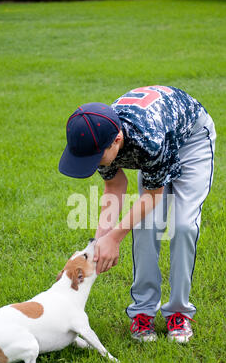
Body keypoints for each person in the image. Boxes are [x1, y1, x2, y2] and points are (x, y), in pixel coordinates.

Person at [59, 85, 216, 343]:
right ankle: (143, 312)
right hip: (160, 136)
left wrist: (115, 237)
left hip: (191, 141)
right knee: (145, 226)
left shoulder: (147, 141)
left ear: (117, 142)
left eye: (96, 158)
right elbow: (115, 186)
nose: (94, 164)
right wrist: (98, 242)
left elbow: (153, 194)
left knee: (184, 225)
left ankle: (179, 312)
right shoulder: (99, 137)